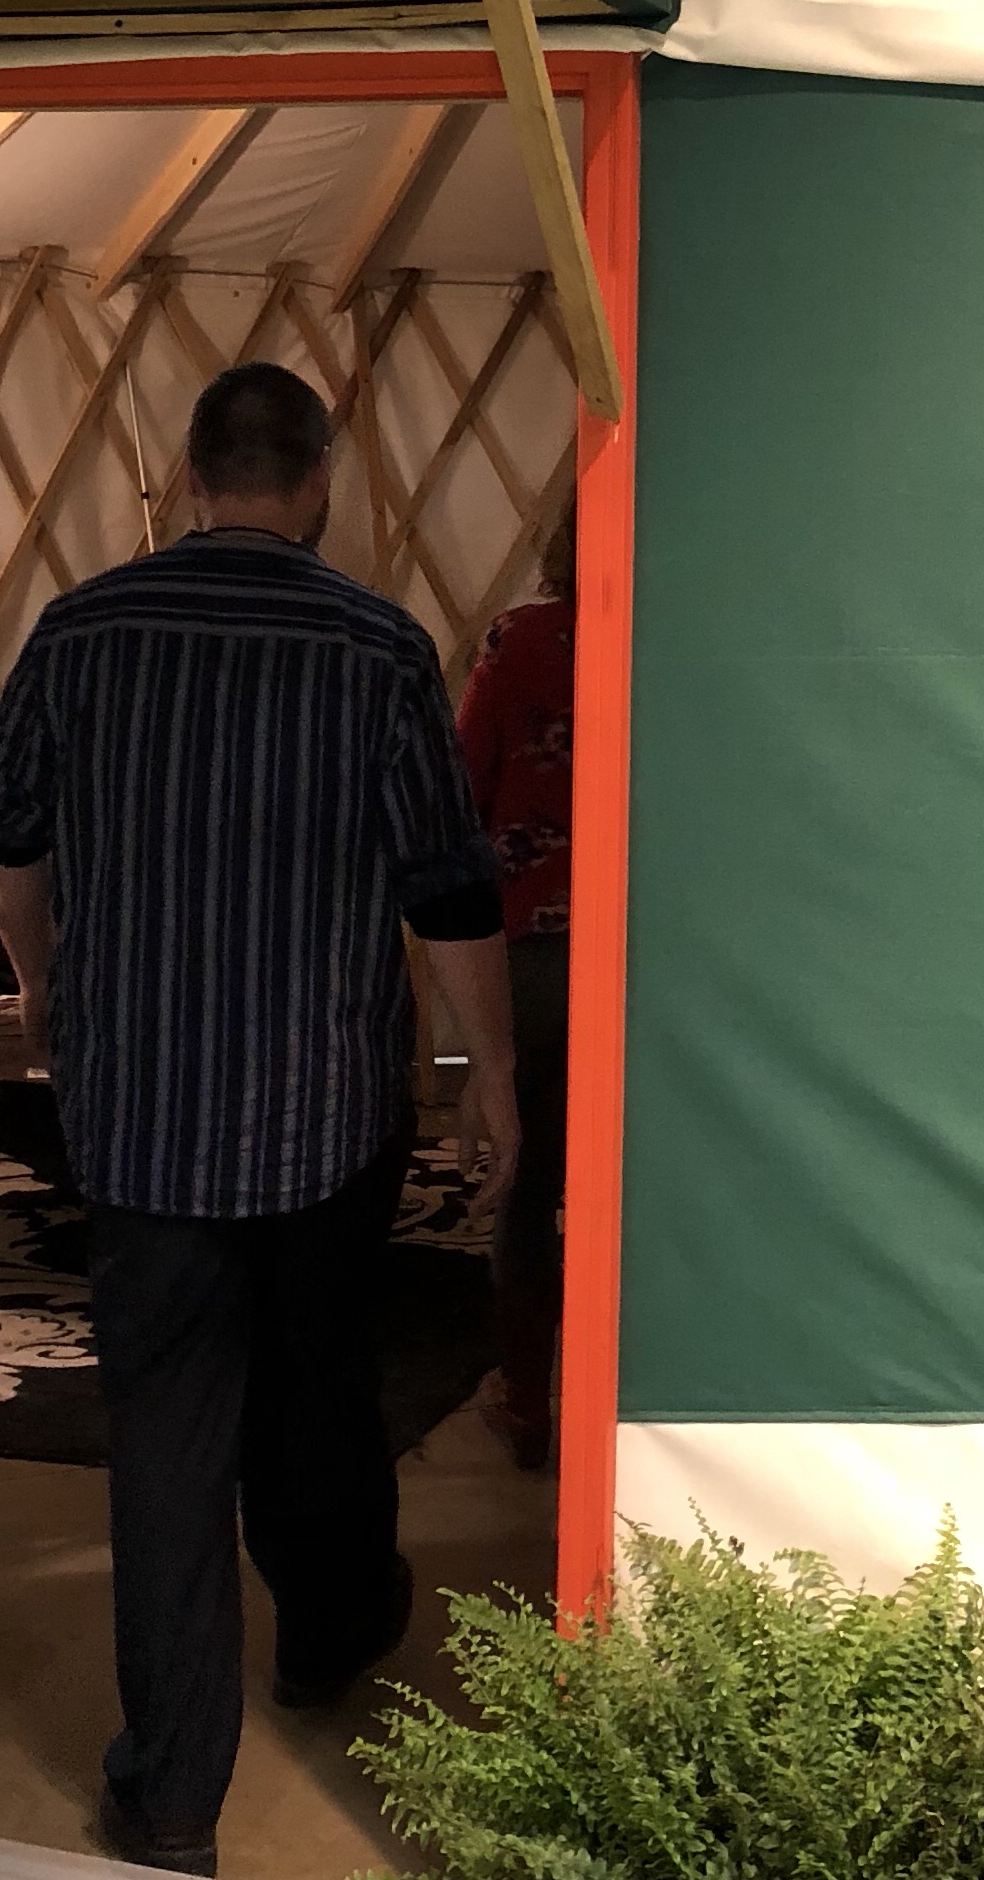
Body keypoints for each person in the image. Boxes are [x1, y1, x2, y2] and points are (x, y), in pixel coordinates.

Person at [0, 362, 518, 1879]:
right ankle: (332, 1639)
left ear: (185, 471)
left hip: (142, 1116)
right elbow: (451, 887)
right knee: (317, 1391)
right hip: (323, 1117)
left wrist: (45, 984)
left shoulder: (83, 631)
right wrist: (499, 1080)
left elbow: (6, 840)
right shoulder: (379, 647)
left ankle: (169, 1802)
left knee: (164, 1441)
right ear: (323, 478)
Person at [455, 505, 575, 1471]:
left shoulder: (522, 640)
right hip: (648, 956)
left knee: (528, 1184)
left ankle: (529, 1399)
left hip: (531, 948)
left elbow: (461, 786)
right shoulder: (686, 647)